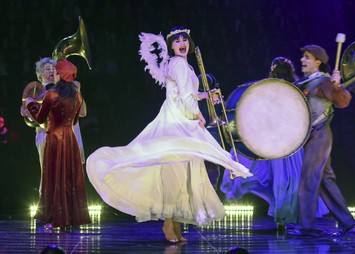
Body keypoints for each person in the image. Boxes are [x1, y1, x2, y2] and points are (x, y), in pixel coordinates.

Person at [86, 26, 251, 242]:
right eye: (176, 40)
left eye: (184, 39)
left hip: (179, 119)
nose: (181, 42)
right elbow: (185, 96)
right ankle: (168, 225)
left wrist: (206, 95)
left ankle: (175, 226)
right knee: (176, 175)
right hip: (178, 122)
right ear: (171, 46)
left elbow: (186, 93)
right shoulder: (180, 64)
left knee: (181, 172)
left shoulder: (181, 65)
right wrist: (198, 115)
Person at [220, 56, 329, 231]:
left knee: (282, 180)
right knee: (284, 181)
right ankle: (283, 218)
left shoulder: (287, 89)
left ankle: (283, 218)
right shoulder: (282, 89)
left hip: (284, 141)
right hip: (281, 141)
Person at [287, 44, 355, 237]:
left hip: (320, 135)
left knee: (309, 179)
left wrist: (337, 85)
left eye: (307, 57)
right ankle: (346, 220)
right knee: (325, 179)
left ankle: (307, 226)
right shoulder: (306, 82)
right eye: (304, 57)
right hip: (313, 136)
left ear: (318, 62)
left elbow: (342, 101)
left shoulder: (323, 82)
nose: (303, 60)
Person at [26, 59, 91, 229]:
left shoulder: (52, 95)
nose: (52, 74)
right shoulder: (77, 95)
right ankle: (71, 217)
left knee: (54, 177)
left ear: (60, 75)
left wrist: (31, 105)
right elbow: (76, 118)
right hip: (70, 137)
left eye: (55, 71)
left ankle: (55, 217)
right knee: (70, 177)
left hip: (54, 138)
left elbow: (40, 118)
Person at [21, 57, 87, 196]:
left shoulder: (68, 90)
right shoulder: (36, 92)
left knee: (69, 172)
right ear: (40, 75)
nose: (51, 70)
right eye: (47, 68)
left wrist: (77, 91)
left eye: (53, 68)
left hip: (68, 133)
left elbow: (81, 114)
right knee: (48, 172)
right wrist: (27, 109)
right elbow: (32, 115)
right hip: (46, 134)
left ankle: (68, 204)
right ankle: (47, 206)